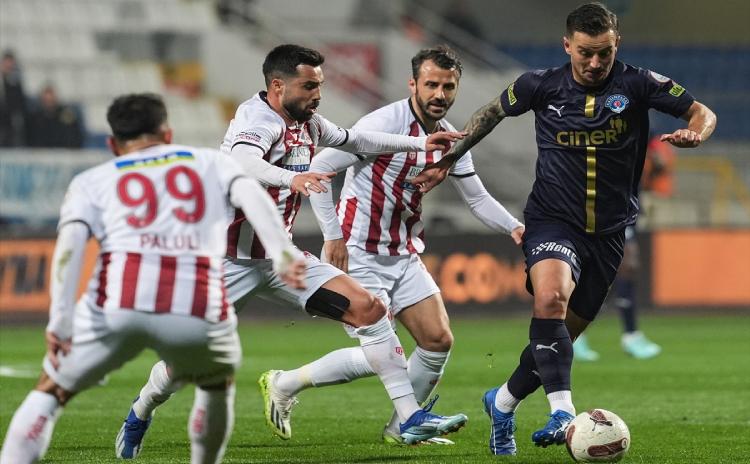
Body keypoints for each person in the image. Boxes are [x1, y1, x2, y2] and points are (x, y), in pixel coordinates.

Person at [114, 44, 469, 458]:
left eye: (319, 85)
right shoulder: (257, 119)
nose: (318, 94)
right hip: (227, 263)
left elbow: (355, 139)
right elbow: (243, 162)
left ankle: (408, 418)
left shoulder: (308, 123)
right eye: (309, 86)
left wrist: (421, 144)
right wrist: (290, 179)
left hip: (281, 259)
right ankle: (141, 411)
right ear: (279, 86)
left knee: (369, 309)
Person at [412, 2, 716, 456]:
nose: (594, 63)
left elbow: (701, 112)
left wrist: (697, 133)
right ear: (567, 46)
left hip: (609, 232)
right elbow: (491, 112)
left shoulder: (638, 83)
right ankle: (563, 412)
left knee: (557, 340)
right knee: (551, 299)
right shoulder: (539, 85)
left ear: (617, 45)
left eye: (604, 53)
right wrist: (449, 159)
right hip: (552, 220)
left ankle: (502, 401)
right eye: (585, 53)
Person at [0, 93, 307, 464]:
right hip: (193, 306)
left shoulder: (90, 181)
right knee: (215, 385)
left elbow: (69, 250)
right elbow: (252, 195)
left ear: (113, 144)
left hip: (116, 306)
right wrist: (283, 252)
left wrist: (60, 322)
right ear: (168, 133)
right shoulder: (210, 162)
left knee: (51, 391)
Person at [257, 45, 525, 446]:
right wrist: (333, 235)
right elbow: (321, 168)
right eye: (431, 84)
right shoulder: (384, 123)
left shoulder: (448, 136)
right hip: (360, 252)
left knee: (437, 341)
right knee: (382, 352)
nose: (439, 94)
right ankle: (285, 383)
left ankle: (401, 430)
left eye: (448, 87)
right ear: (413, 84)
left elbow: (476, 198)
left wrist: (515, 228)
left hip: (403, 253)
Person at [574, 134, 674, 361]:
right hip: (607, 215)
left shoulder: (636, 146)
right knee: (620, 270)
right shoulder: (607, 144)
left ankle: (627, 335)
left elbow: (648, 176)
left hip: (626, 213)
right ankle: (582, 334)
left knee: (621, 274)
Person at [25, 84, 85, 148]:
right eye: (46, 101)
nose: (49, 103)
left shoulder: (66, 115)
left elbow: (74, 138)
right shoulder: (35, 118)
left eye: (51, 100)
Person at [0, 49, 27, 147]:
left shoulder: (15, 83)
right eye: (6, 62)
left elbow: (18, 102)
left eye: (10, 62)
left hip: (9, 123)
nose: (8, 65)